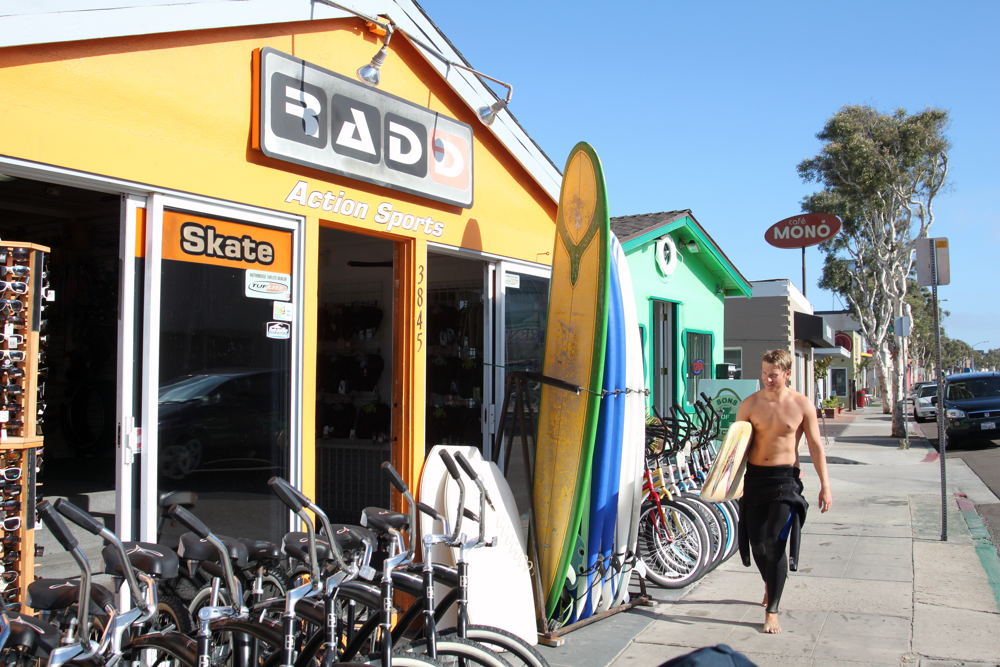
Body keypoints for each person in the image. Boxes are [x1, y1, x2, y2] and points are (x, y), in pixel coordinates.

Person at [735, 348, 832, 634]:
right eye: (764, 373)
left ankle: (772, 611)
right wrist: (728, 482)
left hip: (785, 480)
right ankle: (771, 582)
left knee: (775, 543)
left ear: (787, 374)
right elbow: (736, 447)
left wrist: (825, 485)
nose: (767, 379)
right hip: (755, 478)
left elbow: (815, 446)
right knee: (757, 544)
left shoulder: (801, 405)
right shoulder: (750, 404)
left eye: (773, 375)